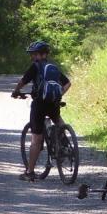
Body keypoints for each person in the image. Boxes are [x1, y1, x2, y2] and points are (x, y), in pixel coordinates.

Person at [11, 40, 71, 181]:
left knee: (36, 139)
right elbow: (68, 83)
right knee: (57, 119)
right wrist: (59, 94)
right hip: (53, 102)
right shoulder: (53, 67)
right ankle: (65, 144)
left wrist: (16, 91)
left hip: (39, 104)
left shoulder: (35, 67)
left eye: (34, 54)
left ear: (40, 54)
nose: (32, 57)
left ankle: (30, 172)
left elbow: (23, 81)